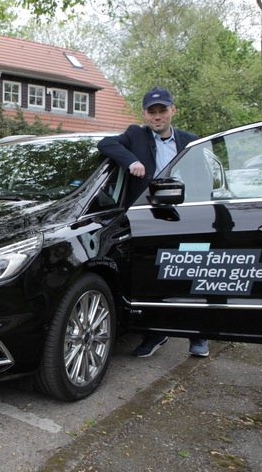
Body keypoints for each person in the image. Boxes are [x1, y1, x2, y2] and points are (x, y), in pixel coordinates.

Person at [97, 86, 209, 358]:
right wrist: (131, 160)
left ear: (173, 111)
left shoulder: (191, 141)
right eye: (152, 111)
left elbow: (203, 181)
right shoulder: (134, 135)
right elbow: (105, 144)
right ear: (145, 114)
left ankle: (199, 336)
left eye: (162, 110)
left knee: (192, 274)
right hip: (149, 219)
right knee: (154, 278)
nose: (157, 116)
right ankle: (157, 333)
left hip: (187, 218)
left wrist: (205, 215)